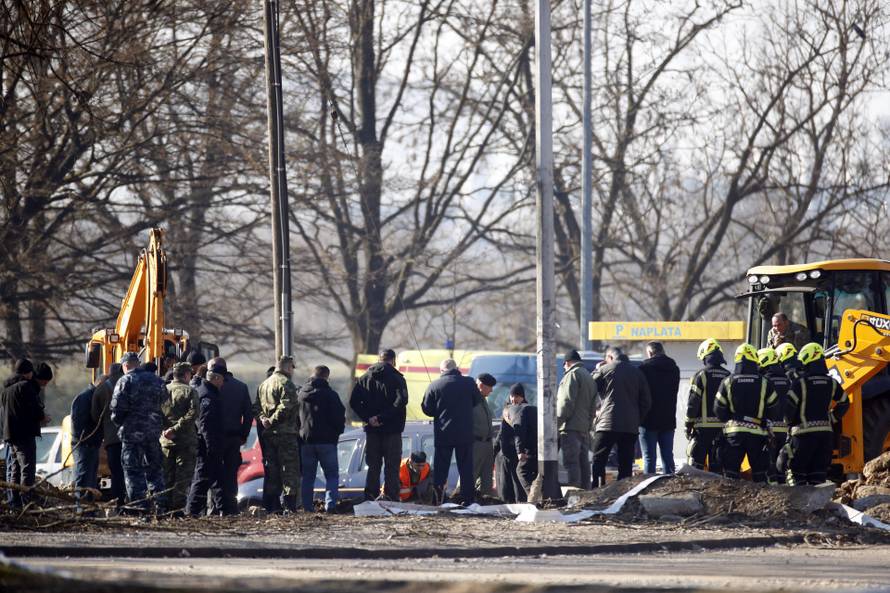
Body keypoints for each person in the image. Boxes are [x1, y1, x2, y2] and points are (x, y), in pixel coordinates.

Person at [421, 358, 484, 505]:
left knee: (441, 470)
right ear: (456, 368)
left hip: (444, 434)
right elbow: (477, 401)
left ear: (442, 371)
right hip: (465, 434)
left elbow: (427, 409)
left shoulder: (434, 385)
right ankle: (467, 500)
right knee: (466, 469)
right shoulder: (469, 383)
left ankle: (438, 500)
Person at [110, 352, 167, 513]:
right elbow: (165, 400)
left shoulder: (125, 380)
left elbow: (116, 410)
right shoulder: (156, 380)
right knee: (155, 469)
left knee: (133, 470)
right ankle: (160, 506)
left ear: (125, 365)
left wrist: (122, 424)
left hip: (132, 434)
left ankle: (140, 508)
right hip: (153, 433)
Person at [785, 343, 850, 485]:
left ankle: (799, 506)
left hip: (803, 437)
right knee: (818, 478)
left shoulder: (800, 383)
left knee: (797, 476)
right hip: (825, 437)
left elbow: (788, 410)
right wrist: (831, 418)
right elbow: (845, 402)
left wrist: (788, 425)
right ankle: (818, 506)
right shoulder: (832, 383)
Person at [714, 344, 780, 482]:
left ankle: (731, 501)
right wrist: (764, 419)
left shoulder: (727, 381)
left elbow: (718, 409)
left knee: (731, 474)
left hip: (734, 433)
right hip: (758, 434)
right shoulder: (765, 382)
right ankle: (762, 501)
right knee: (760, 473)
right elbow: (774, 408)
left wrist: (731, 419)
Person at [349, 348, 408, 502]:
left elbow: (353, 402)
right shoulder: (397, 378)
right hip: (392, 430)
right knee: (392, 466)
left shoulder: (364, 378)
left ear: (379, 359)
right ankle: (391, 497)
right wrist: (383, 417)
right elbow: (401, 401)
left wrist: (369, 418)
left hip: (372, 431)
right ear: (393, 360)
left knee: (373, 466)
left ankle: (370, 497)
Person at [591, 347, 651, 487]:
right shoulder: (638, 373)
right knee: (626, 462)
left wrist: (597, 369)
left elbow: (589, 387)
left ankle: (598, 489)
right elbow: (646, 401)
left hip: (607, 423)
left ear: (610, 358)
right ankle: (623, 490)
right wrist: (637, 419)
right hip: (630, 426)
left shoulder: (605, 369)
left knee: (599, 458)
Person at [297, 365, 345, 513]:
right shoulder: (331, 395)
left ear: (313, 375)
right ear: (326, 377)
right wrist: (336, 433)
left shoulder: (301, 394)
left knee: (307, 477)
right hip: (327, 442)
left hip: (306, 441)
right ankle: (330, 505)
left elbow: (295, 418)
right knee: (331, 475)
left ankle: (307, 507)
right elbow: (339, 418)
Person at [2, 359, 51, 507]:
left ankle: (14, 502)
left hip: (10, 435)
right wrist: (44, 417)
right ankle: (26, 501)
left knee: (14, 470)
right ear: (27, 373)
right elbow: (35, 411)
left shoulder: (6, 390)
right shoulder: (25, 387)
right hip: (24, 435)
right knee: (27, 469)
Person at [256, 355, 301, 512]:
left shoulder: (263, 385)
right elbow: (287, 406)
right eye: (292, 368)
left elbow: (256, 407)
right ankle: (289, 507)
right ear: (288, 367)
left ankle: (273, 507)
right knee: (289, 471)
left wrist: (264, 419)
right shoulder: (286, 383)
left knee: (273, 471)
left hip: (269, 436)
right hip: (286, 434)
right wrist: (272, 420)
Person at [210, 357, 253, 515]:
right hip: (234, 438)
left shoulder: (209, 386)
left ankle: (215, 507)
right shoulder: (241, 387)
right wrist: (243, 434)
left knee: (214, 473)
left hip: (214, 438)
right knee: (231, 474)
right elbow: (248, 415)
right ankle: (231, 507)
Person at [685, 339, 730, 474]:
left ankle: (697, 494)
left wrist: (688, 425)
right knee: (717, 467)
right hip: (722, 430)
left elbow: (693, 403)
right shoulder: (728, 376)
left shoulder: (700, 376)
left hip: (702, 430)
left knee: (696, 466)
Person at [185, 366, 226, 516]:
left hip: (211, 445)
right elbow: (205, 425)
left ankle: (226, 510)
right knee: (202, 479)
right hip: (207, 446)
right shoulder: (207, 395)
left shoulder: (209, 392)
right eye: (222, 379)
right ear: (215, 378)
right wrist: (211, 447)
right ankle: (191, 512)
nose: (223, 383)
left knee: (218, 480)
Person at [160, 361, 198, 512]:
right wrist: (176, 429)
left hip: (165, 441)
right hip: (185, 442)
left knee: (166, 477)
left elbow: (156, 412)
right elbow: (193, 413)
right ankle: (176, 510)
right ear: (187, 374)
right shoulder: (190, 391)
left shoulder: (163, 390)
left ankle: (164, 508)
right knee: (182, 479)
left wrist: (165, 430)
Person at [637, 342, 681, 475]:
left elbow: (640, 394)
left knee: (649, 457)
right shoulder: (674, 368)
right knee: (667, 456)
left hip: (648, 419)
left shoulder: (643, 369)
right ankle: (671, 488)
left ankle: (648, 488)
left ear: (650, 353)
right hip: (668, 419)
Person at [556, 350, 597, 488]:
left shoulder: (572, 375)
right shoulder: (588, 377)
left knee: (571, 463)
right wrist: (588, 425)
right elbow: (593, 407)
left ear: (567, 363)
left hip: (570, 428)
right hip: (584, 428)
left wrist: (556, 423)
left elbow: (565, 403)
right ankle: (586, 494)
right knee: (584, 464)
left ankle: (575, 495)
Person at [90, 363, 125, 507]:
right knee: (131, 471)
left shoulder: (101, 389)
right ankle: (134, 502)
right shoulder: (129, 384)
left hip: (111, 439)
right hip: (131, 437)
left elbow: (94, 415)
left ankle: (119, 504)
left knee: (116, 472)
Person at [758, 347, 791, 484]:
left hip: (768, 430)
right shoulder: (788, 380)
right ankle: (784, 490)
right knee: (781, 466)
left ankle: (775, 495)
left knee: (769, 465)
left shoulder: (764, 381)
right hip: (785, 430)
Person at [497, 383, 533, 502]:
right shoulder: (507, 410)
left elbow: (521, 432)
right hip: (506, 454)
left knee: (518, 485)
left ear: (522, 397)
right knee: (506, 486)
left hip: (518, 454)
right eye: (512, 396)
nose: (514, 399)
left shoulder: (525, 410)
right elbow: (501, 434)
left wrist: (519, 450)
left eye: (517, 396)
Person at [71, 377, 104, 506]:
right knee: (83, 477)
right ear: (100, 385)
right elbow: (78, 423)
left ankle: (88, 507)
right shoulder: (84, 398)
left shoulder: (92, 397)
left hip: (92, 444)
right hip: (84, 444)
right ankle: (80, 507)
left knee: (91, 479)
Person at [471, 373, 497, 497]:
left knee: (487, 477)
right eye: (490, 387)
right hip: (475, 444)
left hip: (486, 443)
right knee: (470, 475)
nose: (492, 390)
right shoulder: (470, 399)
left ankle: (485, 501)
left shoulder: (482, 400)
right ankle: (462, 500)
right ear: (481, 385)